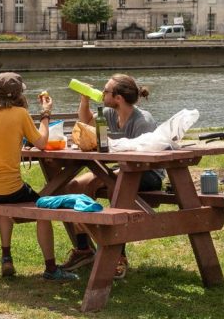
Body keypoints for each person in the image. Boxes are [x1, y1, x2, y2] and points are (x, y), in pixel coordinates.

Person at [0, 72, 78, 282]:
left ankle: (6, 257)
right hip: (9, 189)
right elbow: (43, 142)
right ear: (18, 94)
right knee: (43, 210)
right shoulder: (20, 114)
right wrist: (45, 114)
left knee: (2, 204)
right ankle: (51, 268)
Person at [60, 73, 162, 279]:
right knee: (73, 186)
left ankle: (117, 254)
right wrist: (84, 98)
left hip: (147, 172)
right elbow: (86, 121)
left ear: (118, 98)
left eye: (106, 90)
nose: (102, 92)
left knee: (111, 185)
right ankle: (84, 250)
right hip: (120, 171)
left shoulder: (142, 121)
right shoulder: (109, 114)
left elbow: (151, 157)